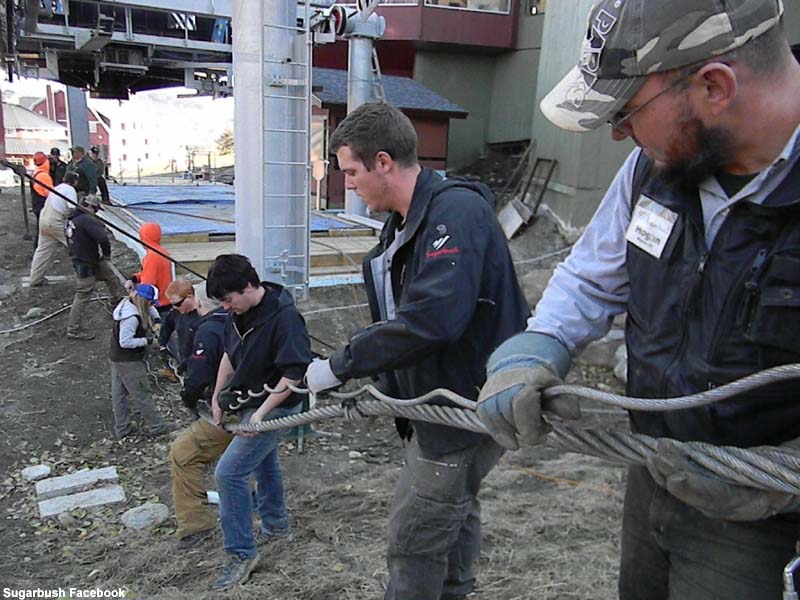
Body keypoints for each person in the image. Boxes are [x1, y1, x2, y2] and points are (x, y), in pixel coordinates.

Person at [476, 2, 800, 599]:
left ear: (715, 87)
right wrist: (533, 348)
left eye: (626, 111)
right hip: (653, 469)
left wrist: (780, 477)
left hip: (763, 526)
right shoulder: (651, 171)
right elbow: (590, 279)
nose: (619, 132)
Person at [305, 101, 530, 600]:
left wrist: (339, 367)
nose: (349, 185)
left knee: (414, 540)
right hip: (439, 404)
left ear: (383, 162)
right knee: (456, 509)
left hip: (462, 406)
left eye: (351, 171)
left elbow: (432, 319)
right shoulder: (404, 226)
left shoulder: (456, 214)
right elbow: (402, 320)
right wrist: (385, 389)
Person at [206, 253, 312, 592]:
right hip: (251, 401)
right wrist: (217, 394)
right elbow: (228, 352)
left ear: (249, 286)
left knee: (229, 472)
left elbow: (294, 373)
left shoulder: (285, 318)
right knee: (265, 465)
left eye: (228, 299)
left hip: (280, 403)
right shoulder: (237, 313)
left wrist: (262, 416)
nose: (225, 307)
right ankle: (276, 527)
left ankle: (241, 553)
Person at [168, 282, 232, 549]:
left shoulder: (209, 329)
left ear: (199, 302)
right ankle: (256, 499)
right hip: (258, 403)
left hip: (228, 409)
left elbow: (201, 372)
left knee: (183, 454)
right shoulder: (238, 320)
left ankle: (195, 526)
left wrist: (190, 395)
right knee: (243, 453)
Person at [109, 283, 173, 438]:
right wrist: (148, 341)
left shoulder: (130, 302)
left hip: (116, 357)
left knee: (119, 393)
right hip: (128, 361)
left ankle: (122, 428)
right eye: (151, 303)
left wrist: (156, 320)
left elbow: (149, 307)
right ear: (145, 302)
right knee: (142, 393)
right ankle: (157, 426)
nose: (152, 306)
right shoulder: (131, 318)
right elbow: (125, 342)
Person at [64, 194, 125, 340]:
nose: (96, 213)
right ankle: (73, 329)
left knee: (110, 276)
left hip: (86, 258)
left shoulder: (73, 218)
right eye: (96, 210)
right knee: (84, 293)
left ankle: (115, 301)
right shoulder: (86, 219)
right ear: (89, 206)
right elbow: (103, 239)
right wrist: (107, 255)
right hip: (84, 262)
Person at [29, 171, 79, 287]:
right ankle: (86, 275)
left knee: (42, 250)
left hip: (44, 219)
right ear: (75, 181)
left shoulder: (57, 188)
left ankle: (35, 278)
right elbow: (73, 209)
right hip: (56, 221)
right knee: (76, 246)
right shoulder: (70, 190)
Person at [128, 222, 173, 314]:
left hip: (157, 305)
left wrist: (134, 296)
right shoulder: (162, 251)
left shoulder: (151, 257)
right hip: (166, 300)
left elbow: (147, 285)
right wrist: (134, 278)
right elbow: (152, 273)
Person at [159, 279, 202, 376]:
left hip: (200, 365)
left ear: (190, 297)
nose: (175, 307)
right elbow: (166, 326)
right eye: (172, 304)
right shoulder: (176, 313)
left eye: (177, 304)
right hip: (184, 362)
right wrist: (162, 345)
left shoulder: (202, 317)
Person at [30, 151, 54, 246]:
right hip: (42, 206)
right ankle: (38, 247)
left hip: (37, 205)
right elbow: (50, 194)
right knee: (41, 229)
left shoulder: (36, 173)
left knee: (40, 228)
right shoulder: (44, 176)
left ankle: (39, 246)